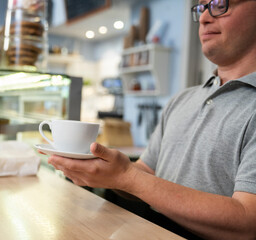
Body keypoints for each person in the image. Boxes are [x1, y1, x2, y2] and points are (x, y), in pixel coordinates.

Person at [45, 0, 256, 239]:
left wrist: (127, 176)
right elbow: (145, 173)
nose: (205, 17)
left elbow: (248, 220)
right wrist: (103, 170)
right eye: (201, 8)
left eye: (219, 4)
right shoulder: (182, 100)